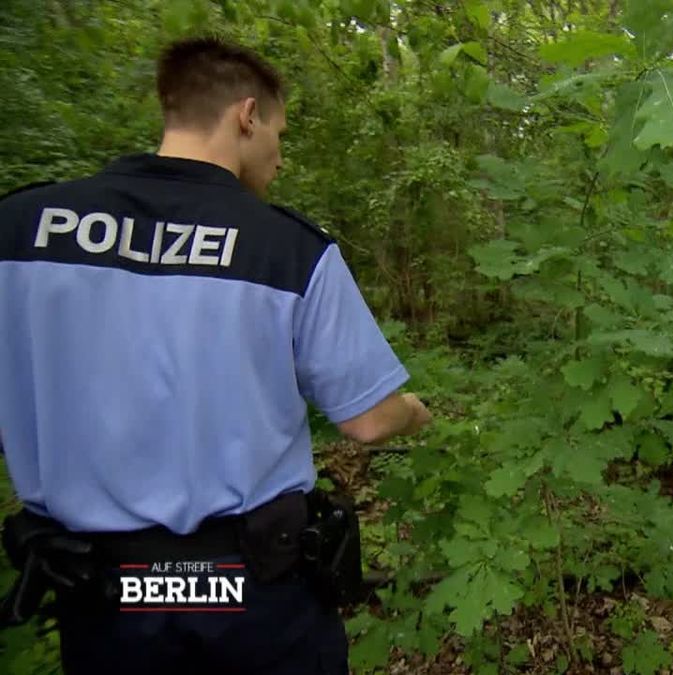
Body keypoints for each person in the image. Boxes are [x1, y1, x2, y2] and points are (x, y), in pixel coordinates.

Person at [0, 37, 430, 674]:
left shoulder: (19, 233)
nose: (280, 158)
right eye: (279, 135)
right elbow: (367, 420)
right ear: (246, 115)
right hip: (253, 587)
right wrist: (416, 413)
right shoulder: (286, 250)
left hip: (104, 596)